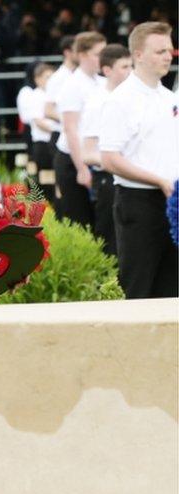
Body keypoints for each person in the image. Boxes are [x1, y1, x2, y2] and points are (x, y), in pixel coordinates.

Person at [100, 22, 178, 299]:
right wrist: (158, 179)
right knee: (139, 286)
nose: (168, 56)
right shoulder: (121, 100)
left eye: (169, 50)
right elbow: (109, 158)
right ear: (139, 55)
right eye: (160, 51)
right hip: (139, 203)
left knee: (171, 288)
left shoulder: (168, 97)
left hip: (170, 200)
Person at [80, 44, 131, 256]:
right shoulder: (97, 102)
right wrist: (116, 160)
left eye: (131, 66)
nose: (129, 72)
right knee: (111, 242)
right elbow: (88, 152)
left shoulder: (132, 97)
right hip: (108, 178)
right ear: (107, 70)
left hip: (133, 179)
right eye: (124, 67)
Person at [55, 31, 107, 228]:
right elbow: (71, 129)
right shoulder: (72, 85)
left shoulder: (101, 82)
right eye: (98, 53)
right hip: (73, 159)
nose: (103, 58)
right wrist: (82, 168)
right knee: (80, 220)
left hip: (95, 156)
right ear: (83, 55)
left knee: (99, 220)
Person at [17, 62, 57, 203]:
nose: (50, 81)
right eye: (47, 77)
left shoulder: (54, 95)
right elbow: (38, 121)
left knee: (56, 180)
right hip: (43, 143)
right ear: (37, 79)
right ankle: (47, 208)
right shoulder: (35, 95)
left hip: (55, 141)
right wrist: (58, 130)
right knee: (46, 179)